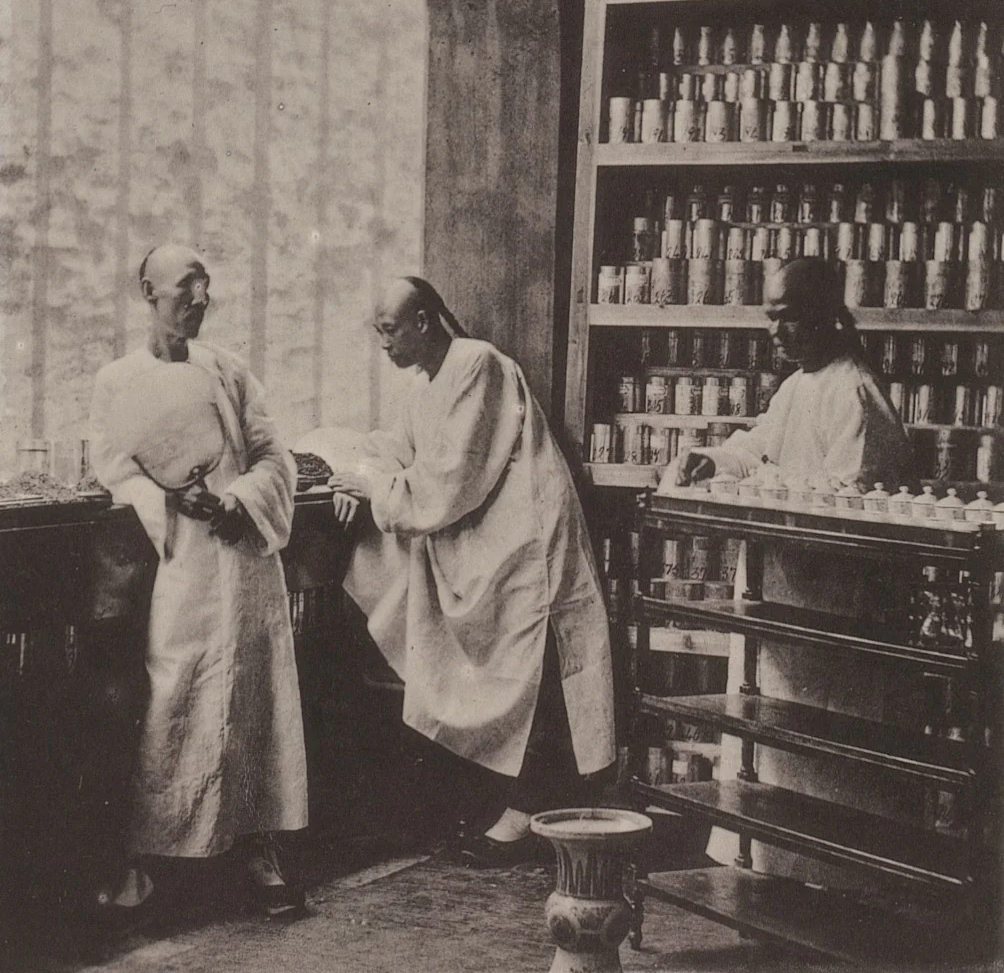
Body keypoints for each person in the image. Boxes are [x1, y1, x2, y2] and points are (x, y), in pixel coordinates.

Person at [328, 277, 616, 867]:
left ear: (426, 321)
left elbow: (449, 478)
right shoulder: (426, 385)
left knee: (528, 669)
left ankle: (531, 808)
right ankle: (511, 806)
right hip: (487, 536)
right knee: (478, 667)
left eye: (390, 330)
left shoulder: (478, 364)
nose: (383, 344)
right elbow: (400, 449)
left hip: (524, 540)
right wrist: (357, 469)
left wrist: (376, 488)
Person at [662, 256, 918, 886]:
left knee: (828, 751)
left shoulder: (855, 392)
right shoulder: (801, 386)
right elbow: (758, 447)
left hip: (833, 608)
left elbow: (849, 496)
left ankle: (838, 884)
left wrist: (768, 480)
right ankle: (773, 872)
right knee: (774, 742)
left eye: (788, 319)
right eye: (770, 319)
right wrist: (711, 460)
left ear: (826, 318)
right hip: (782, 601)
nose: (775, 332)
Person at [89, 244, 308, 921]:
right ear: (148, 291)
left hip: (243, 559)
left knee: (253, 697)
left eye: (207, 289)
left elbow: (274, 452)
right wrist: (170, 503)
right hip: (181, 561)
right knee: (175, 696)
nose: (199, 300)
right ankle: (149, 863)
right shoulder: (118, 380)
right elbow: (113, 465)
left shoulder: (230, 371)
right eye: (186, 288)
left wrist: (238, 499)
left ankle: (256, 849)